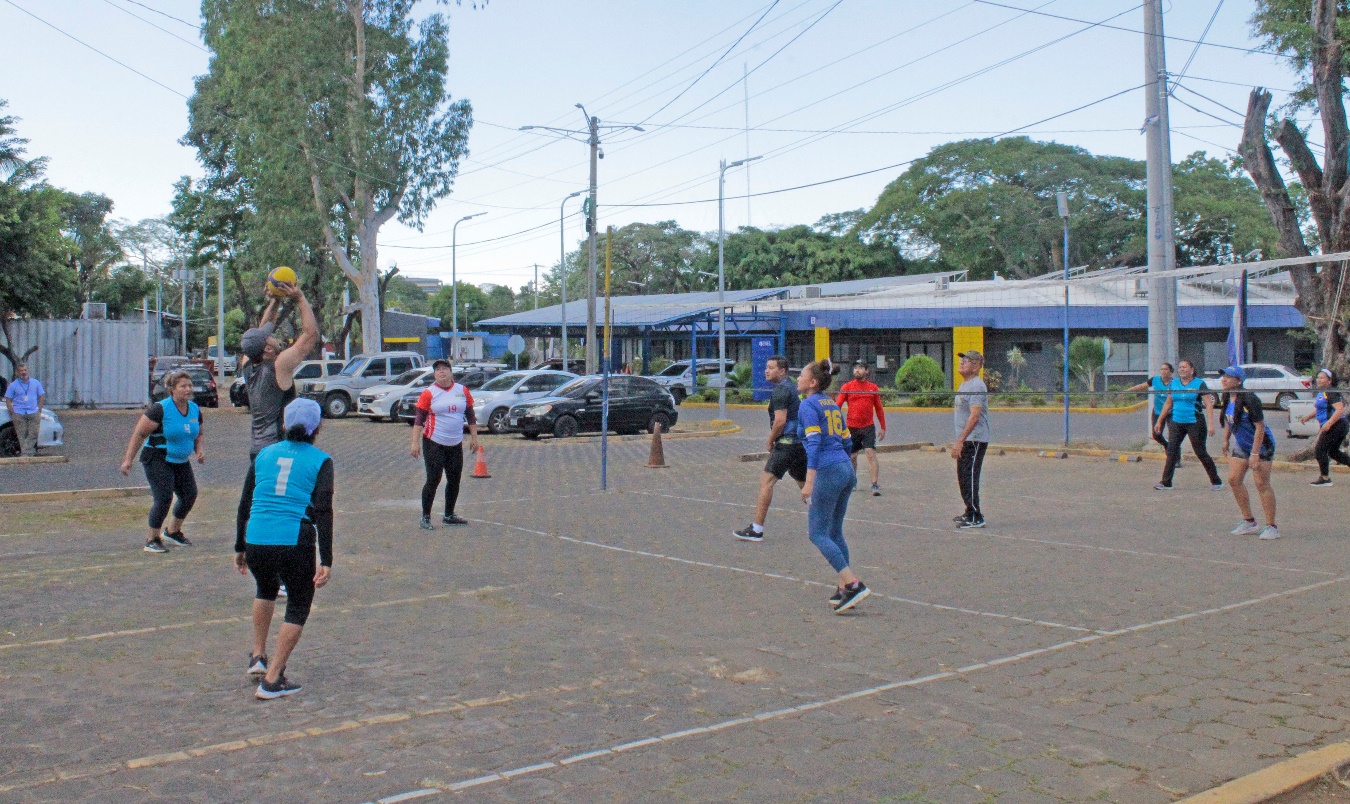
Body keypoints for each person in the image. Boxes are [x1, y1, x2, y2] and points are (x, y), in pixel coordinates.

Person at [234, 398, 334, 699]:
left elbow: (245, 502)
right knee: (299, 603)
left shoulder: (264, 454)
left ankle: (258, 654)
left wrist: (240, 545)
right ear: (318, 426)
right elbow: (323, 510)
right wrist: (326, 558)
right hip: (293, 537)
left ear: (283, 423)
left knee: (264, 589)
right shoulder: (320, 460)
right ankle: (273, 678)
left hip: (257, 535)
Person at [236, 282, 320, 558]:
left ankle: (252, 550)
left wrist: (275, 300)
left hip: (257, 449)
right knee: (289, 506)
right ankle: (286, 563)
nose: (271, 336)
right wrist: (300, 298)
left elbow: (262, 330)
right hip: (279, 448)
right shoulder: (279, 365)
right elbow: (310, 335)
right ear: (268, 351)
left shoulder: (247, 364)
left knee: (258, 504)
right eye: (269, 339)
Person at [798, 359, 869, 613]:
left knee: (817, 533)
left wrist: (809, 482)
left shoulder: (808, 405)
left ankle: (853, 584)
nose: (798, 378)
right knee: (835, 531)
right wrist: (846, 467)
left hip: (828, 470)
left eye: (802, 375)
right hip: (844, 468)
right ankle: (844, 589)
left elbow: (814, 443)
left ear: (812, 382)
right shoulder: (831, 404)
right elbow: (847, 440)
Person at [119, 371, 205, 553]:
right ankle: (152, 539)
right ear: (172, 389)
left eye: (190, 385)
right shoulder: (160, 409)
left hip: (180, 459)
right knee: (164, 497)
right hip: (157, 457)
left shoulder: (195, 409)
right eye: (183, 386)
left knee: (189, 494)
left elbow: (198, 433)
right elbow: (139, 434)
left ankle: (172, 532)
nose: (188, 389)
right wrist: (128, 460)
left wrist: (199, 451)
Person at [733, 355, 807, 542]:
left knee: (766, 482)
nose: (767, 371)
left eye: (771, 368)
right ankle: (826, 522)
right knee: (805, 486)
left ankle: (756, 529)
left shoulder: (781, 390)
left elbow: (780, 421)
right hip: (800, 444)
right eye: (766, 367)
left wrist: (770, 441)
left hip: (787, 444)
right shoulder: (793, 387)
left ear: (782, 371)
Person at [410, 359, 480, 529]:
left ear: (451, 372)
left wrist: (474, 437)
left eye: (445, 368)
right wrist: (415, 443)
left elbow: (470, 415)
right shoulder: (429, 393)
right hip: (434, 441)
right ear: (434, 374)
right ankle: (425, 517)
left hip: (455, 442)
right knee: (434, 479)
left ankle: (449, 514)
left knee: (454, 479)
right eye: (438, 370)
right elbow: (419, 420)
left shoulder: (462, 390)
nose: (442, 372)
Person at [1217, 366, 1280, 540]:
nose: (1224, 379)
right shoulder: (1227, 396)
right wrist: (1225, 440)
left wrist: (1255, 453)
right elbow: (1230, 420)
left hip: (1261, 446)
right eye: (1223, 376)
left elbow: (1260, 427)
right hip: (1242, 445)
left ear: (1239, 381)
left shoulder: (1250, 399)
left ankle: (1271, 526)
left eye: (1228, 377)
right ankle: (1249, 521)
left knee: (1262, 484)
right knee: (1234, 479)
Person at [1153, 359, 1223, 491]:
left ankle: (1216, 481)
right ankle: (1166, 482)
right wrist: (1159, 421)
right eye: (1180, 367)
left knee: (1200, 451)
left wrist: (1211, 425)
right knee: (1172, 451)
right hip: (1176, 421)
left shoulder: (1199, 384)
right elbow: (1168, 403)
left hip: (1194, 422)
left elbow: (1208, 404)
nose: (1182, 369)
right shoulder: (1174, 383)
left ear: (1192, 370)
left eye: (1185, 367)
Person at [836, 360, 887, 496]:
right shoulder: (847, 387)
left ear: (866, 371)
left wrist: (883, 427)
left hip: (868, 427)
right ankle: (852, 482)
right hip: (851, 427)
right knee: (852, 456)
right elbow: (837, 406)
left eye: (860, 368)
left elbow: (879, 408)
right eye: (855, 368)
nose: (857, 370)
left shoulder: (873, 388)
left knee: (870, 453)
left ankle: (874, 484)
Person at [951, 350, 990, 529]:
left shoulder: (977, 386)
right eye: (962, 360)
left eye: (966, 361)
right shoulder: (965, 384)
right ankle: (969, 511)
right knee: (963, 476)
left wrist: (960, 440)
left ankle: (976, 516)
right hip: (967, 439)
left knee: (970, 476)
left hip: (974, 440)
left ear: (976, 366)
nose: (962, 363)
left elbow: (974, 416)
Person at [1300, 368, 1350, 486]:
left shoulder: (1331, 392)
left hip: (1337, 425)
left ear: (1329, 380)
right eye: (1318, 377)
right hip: (1337, 425)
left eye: (1322, 378)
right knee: (1333, 452)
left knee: (1320, 450)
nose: (1319, 380)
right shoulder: (1322, 392)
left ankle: (1325, 479)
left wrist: (1329, 423)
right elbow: (1321, 409)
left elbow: (1339, 410)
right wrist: (1308, 417)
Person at [1128, 362, 1174, 451]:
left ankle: (1174, 454)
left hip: (1171, 412)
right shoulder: (1155, 379)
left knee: (1173, 435)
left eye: (1166, 369)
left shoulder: (1174, 383)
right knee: (1156, 435)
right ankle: (1166, 445)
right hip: (1157, 411)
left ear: (1170, 371)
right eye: (1162, 369)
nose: (1163, 371)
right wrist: (1128, 391)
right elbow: (1142, 386)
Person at [4, 362, 46, 457]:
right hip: (19, 413)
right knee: (21, 435)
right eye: (21, 371)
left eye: (25, 370)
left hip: (33, 411)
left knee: (34, 433)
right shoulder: (13, 385)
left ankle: (25, 453)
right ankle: (28, 454)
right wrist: (12, 412)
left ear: (27, 370)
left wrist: (39, 409)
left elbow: (41, 396)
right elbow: (8, 399)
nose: (23, 372)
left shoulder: (35, 383)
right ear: (17, 372)